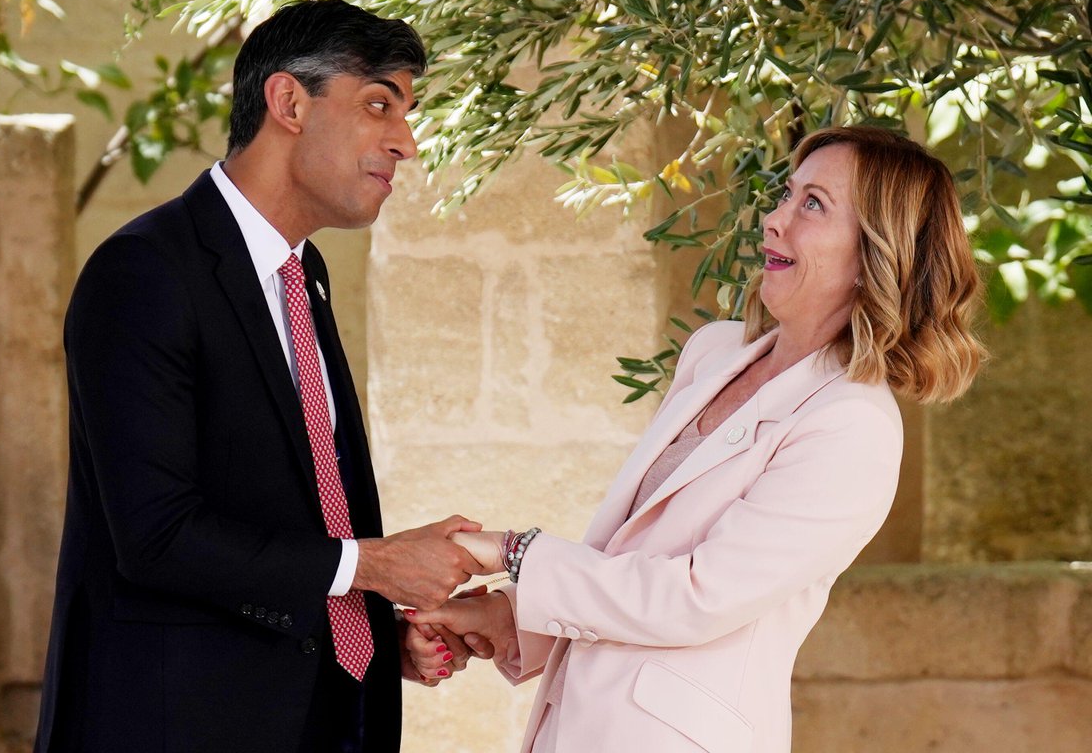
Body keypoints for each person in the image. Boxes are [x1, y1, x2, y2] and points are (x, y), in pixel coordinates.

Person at [405, 126, 985, 752]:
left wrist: (512, 551)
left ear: (876, 254)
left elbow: (696, 597)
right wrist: (509, 617)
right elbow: (633, 559)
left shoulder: (853, 426)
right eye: (786, 195)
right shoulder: (715, 351)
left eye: (813, 205)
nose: (774, 221)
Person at [34, 0, 487, 753]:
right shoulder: (143, 271)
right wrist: (374, 565)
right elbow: (157, 536)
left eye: (407, 115)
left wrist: (373, 623)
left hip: (319, 712)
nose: (405, 143)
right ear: (289, 103)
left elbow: (291, 508)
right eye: (379, 105)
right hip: (173, 726)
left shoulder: (302, 275)